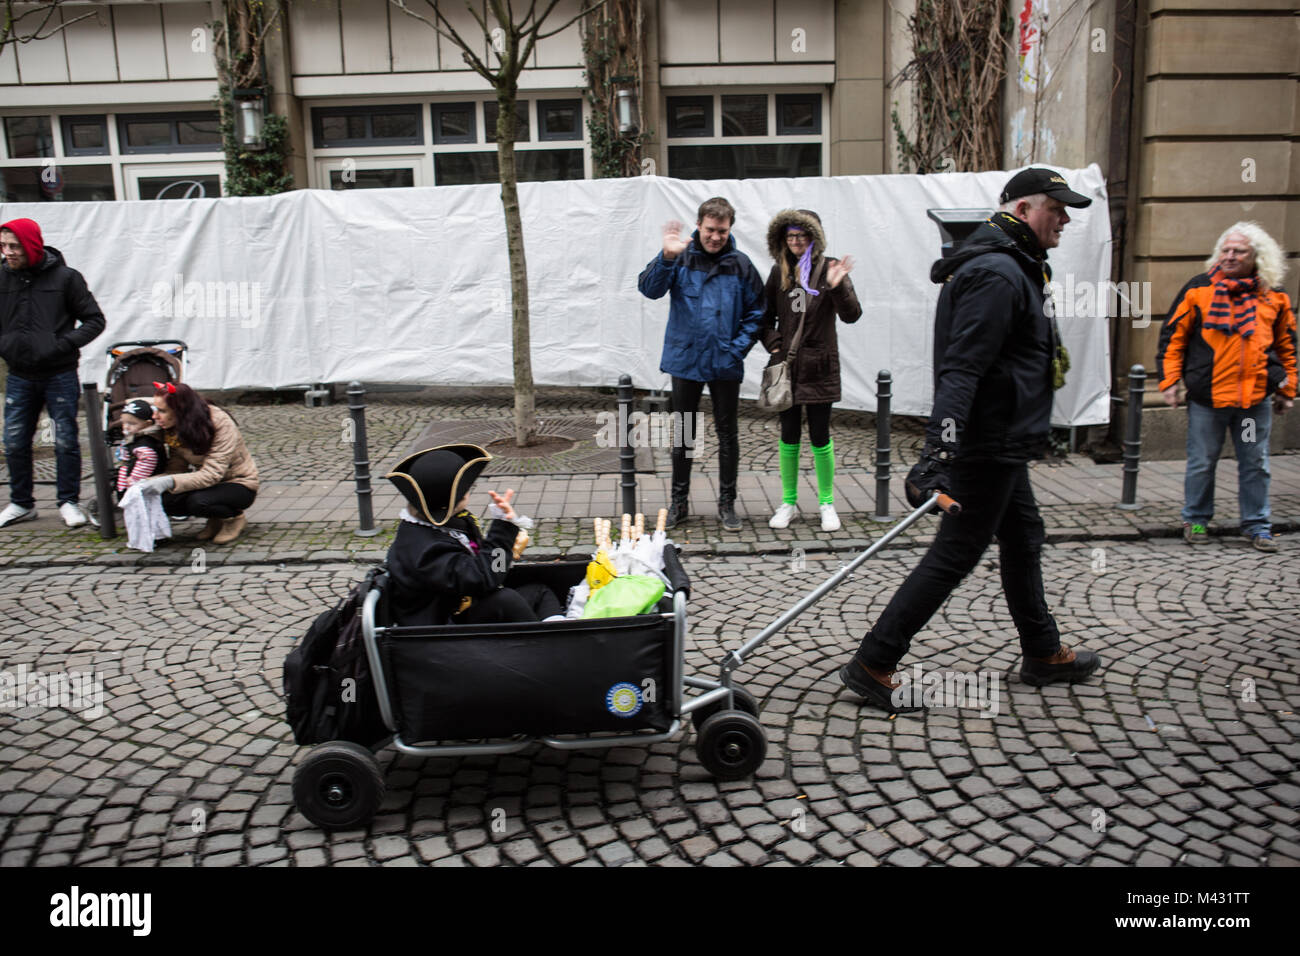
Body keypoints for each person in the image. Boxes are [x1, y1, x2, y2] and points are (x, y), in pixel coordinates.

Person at [838, 167, 1103, 714]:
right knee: (956, 553)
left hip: (1005, 440)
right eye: (1057, 208)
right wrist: (938, 453)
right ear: (1025, 210)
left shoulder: (1012, 266)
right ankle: (875, 660)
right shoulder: (999, 274)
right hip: (987, 442)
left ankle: (1043, 650)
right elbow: (962, 370)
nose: (1066, 219)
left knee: (1025, 534)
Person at [1155, 222, 1296, 552]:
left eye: (1239, 251)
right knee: (1203, 461)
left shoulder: (1273, 296)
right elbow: (1173, 338)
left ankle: (1258, 525)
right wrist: (1169, 381)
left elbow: (1287, 345)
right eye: (1226, 250)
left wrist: (1288, 390)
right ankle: (1197, 521)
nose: (1229, 256)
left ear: (1256, 257)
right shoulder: (1199, 289)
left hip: (1252, 404)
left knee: (1254, 462)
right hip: (1208, 401)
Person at [638, 197, 765, 532]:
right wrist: (666, 257)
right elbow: (649, 289)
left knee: (728, 435)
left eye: (721, 231)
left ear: (729, 229)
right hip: (686, 360)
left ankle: (727, 503)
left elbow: (758, 313)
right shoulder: (680, 257)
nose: (715, 237)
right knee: (683, 435)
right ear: (699, 226)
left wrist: (736, 349)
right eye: (710, 229)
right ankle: (679, 503)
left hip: (724, 362)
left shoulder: (741, 264)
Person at [758, 208, 861, 532]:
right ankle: (788, 502)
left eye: (802, 236)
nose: (796, 242)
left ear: (814, 238)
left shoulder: (830, 269)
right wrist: (775, 344)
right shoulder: (779, 272)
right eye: (791, 236)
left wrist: (838, 286)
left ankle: (827, 503)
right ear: (783, 239)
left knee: (820, 436)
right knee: (789, 435)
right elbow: (763, 317)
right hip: (788, 370)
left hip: (820, 367)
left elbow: (852, 315)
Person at [0, 218, 106, 529]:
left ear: (31, 245)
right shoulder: (1, 278)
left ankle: (68, 502)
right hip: (19, 375)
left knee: (64, 441)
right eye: (3, 246)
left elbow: (94, 320)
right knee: (15, 441)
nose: (8, 252)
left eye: (14, 246)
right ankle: (21, 503)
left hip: (59, 373)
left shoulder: (66, 278)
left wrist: (62, 345)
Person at [383, 444, 559, 626]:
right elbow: (489, 576)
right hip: (442, 627)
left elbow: (487, 568)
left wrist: (503, 530)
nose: (469, 490)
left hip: (462, 603)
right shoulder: (426, 550)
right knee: (506, 600)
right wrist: (502, 532)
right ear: (452, 501)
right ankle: (547, 646)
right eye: (467, 488)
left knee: (540, 591)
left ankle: (561, 631)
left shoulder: (443, 523)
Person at [132, 382, 259, 545]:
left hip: (238, 482)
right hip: (206, 484)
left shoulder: (219, 422)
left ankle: (233, 518)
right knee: (162, 499)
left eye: (162, 411)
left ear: (180, 410)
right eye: (155, 410)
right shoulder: (174, 426)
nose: (155, 416)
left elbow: (212, 474)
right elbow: (176, 469)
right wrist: (148, 483)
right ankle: (215, 519)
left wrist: (167, 481)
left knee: (198, 502)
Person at [114, 399, 166, 500]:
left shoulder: (145, 444)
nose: (126, 427)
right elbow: (125, 461)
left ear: (147, 424)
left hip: (144, 485)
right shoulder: (133, 438)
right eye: (124, 423)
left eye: (132, 424)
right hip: (132, 481)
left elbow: (147, 461)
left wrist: (132, 481)